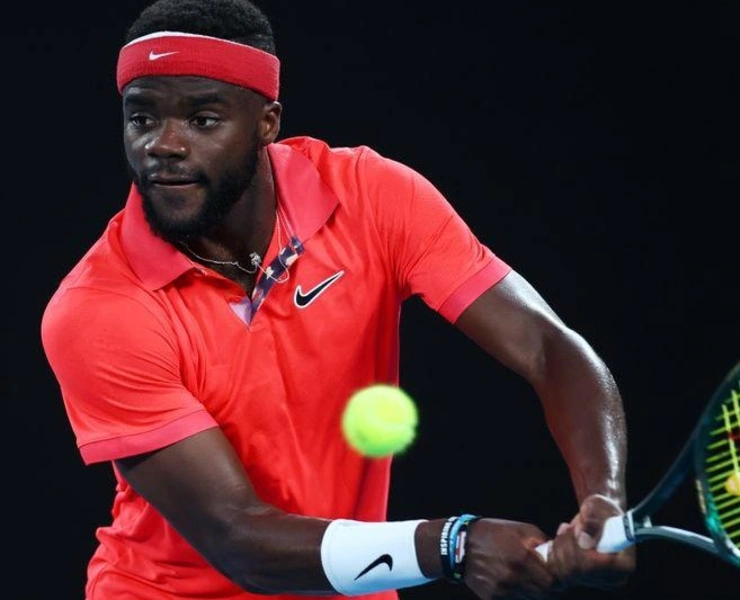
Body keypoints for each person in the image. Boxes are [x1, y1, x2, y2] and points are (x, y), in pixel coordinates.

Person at [40, 0, 635, 598]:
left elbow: (547, 347)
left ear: (266, 123)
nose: (162, 145)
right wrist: (452, 544)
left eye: (202, 119)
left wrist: (601, 498)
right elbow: (239, 538)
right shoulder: (98, 310)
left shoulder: (372, 197)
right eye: (141, 119)